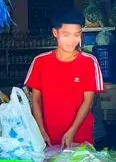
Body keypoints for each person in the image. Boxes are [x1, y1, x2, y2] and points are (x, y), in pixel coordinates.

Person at [24, 10, 104, 148]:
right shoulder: (40, 62)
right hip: (48, 137)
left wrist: (72, 131)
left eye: (77, 35)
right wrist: (41, 131)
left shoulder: (89, 62)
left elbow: (88, 101)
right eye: (66, 35)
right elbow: (35, 100)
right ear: (55, 33)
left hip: (80, 136)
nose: (72, 40)